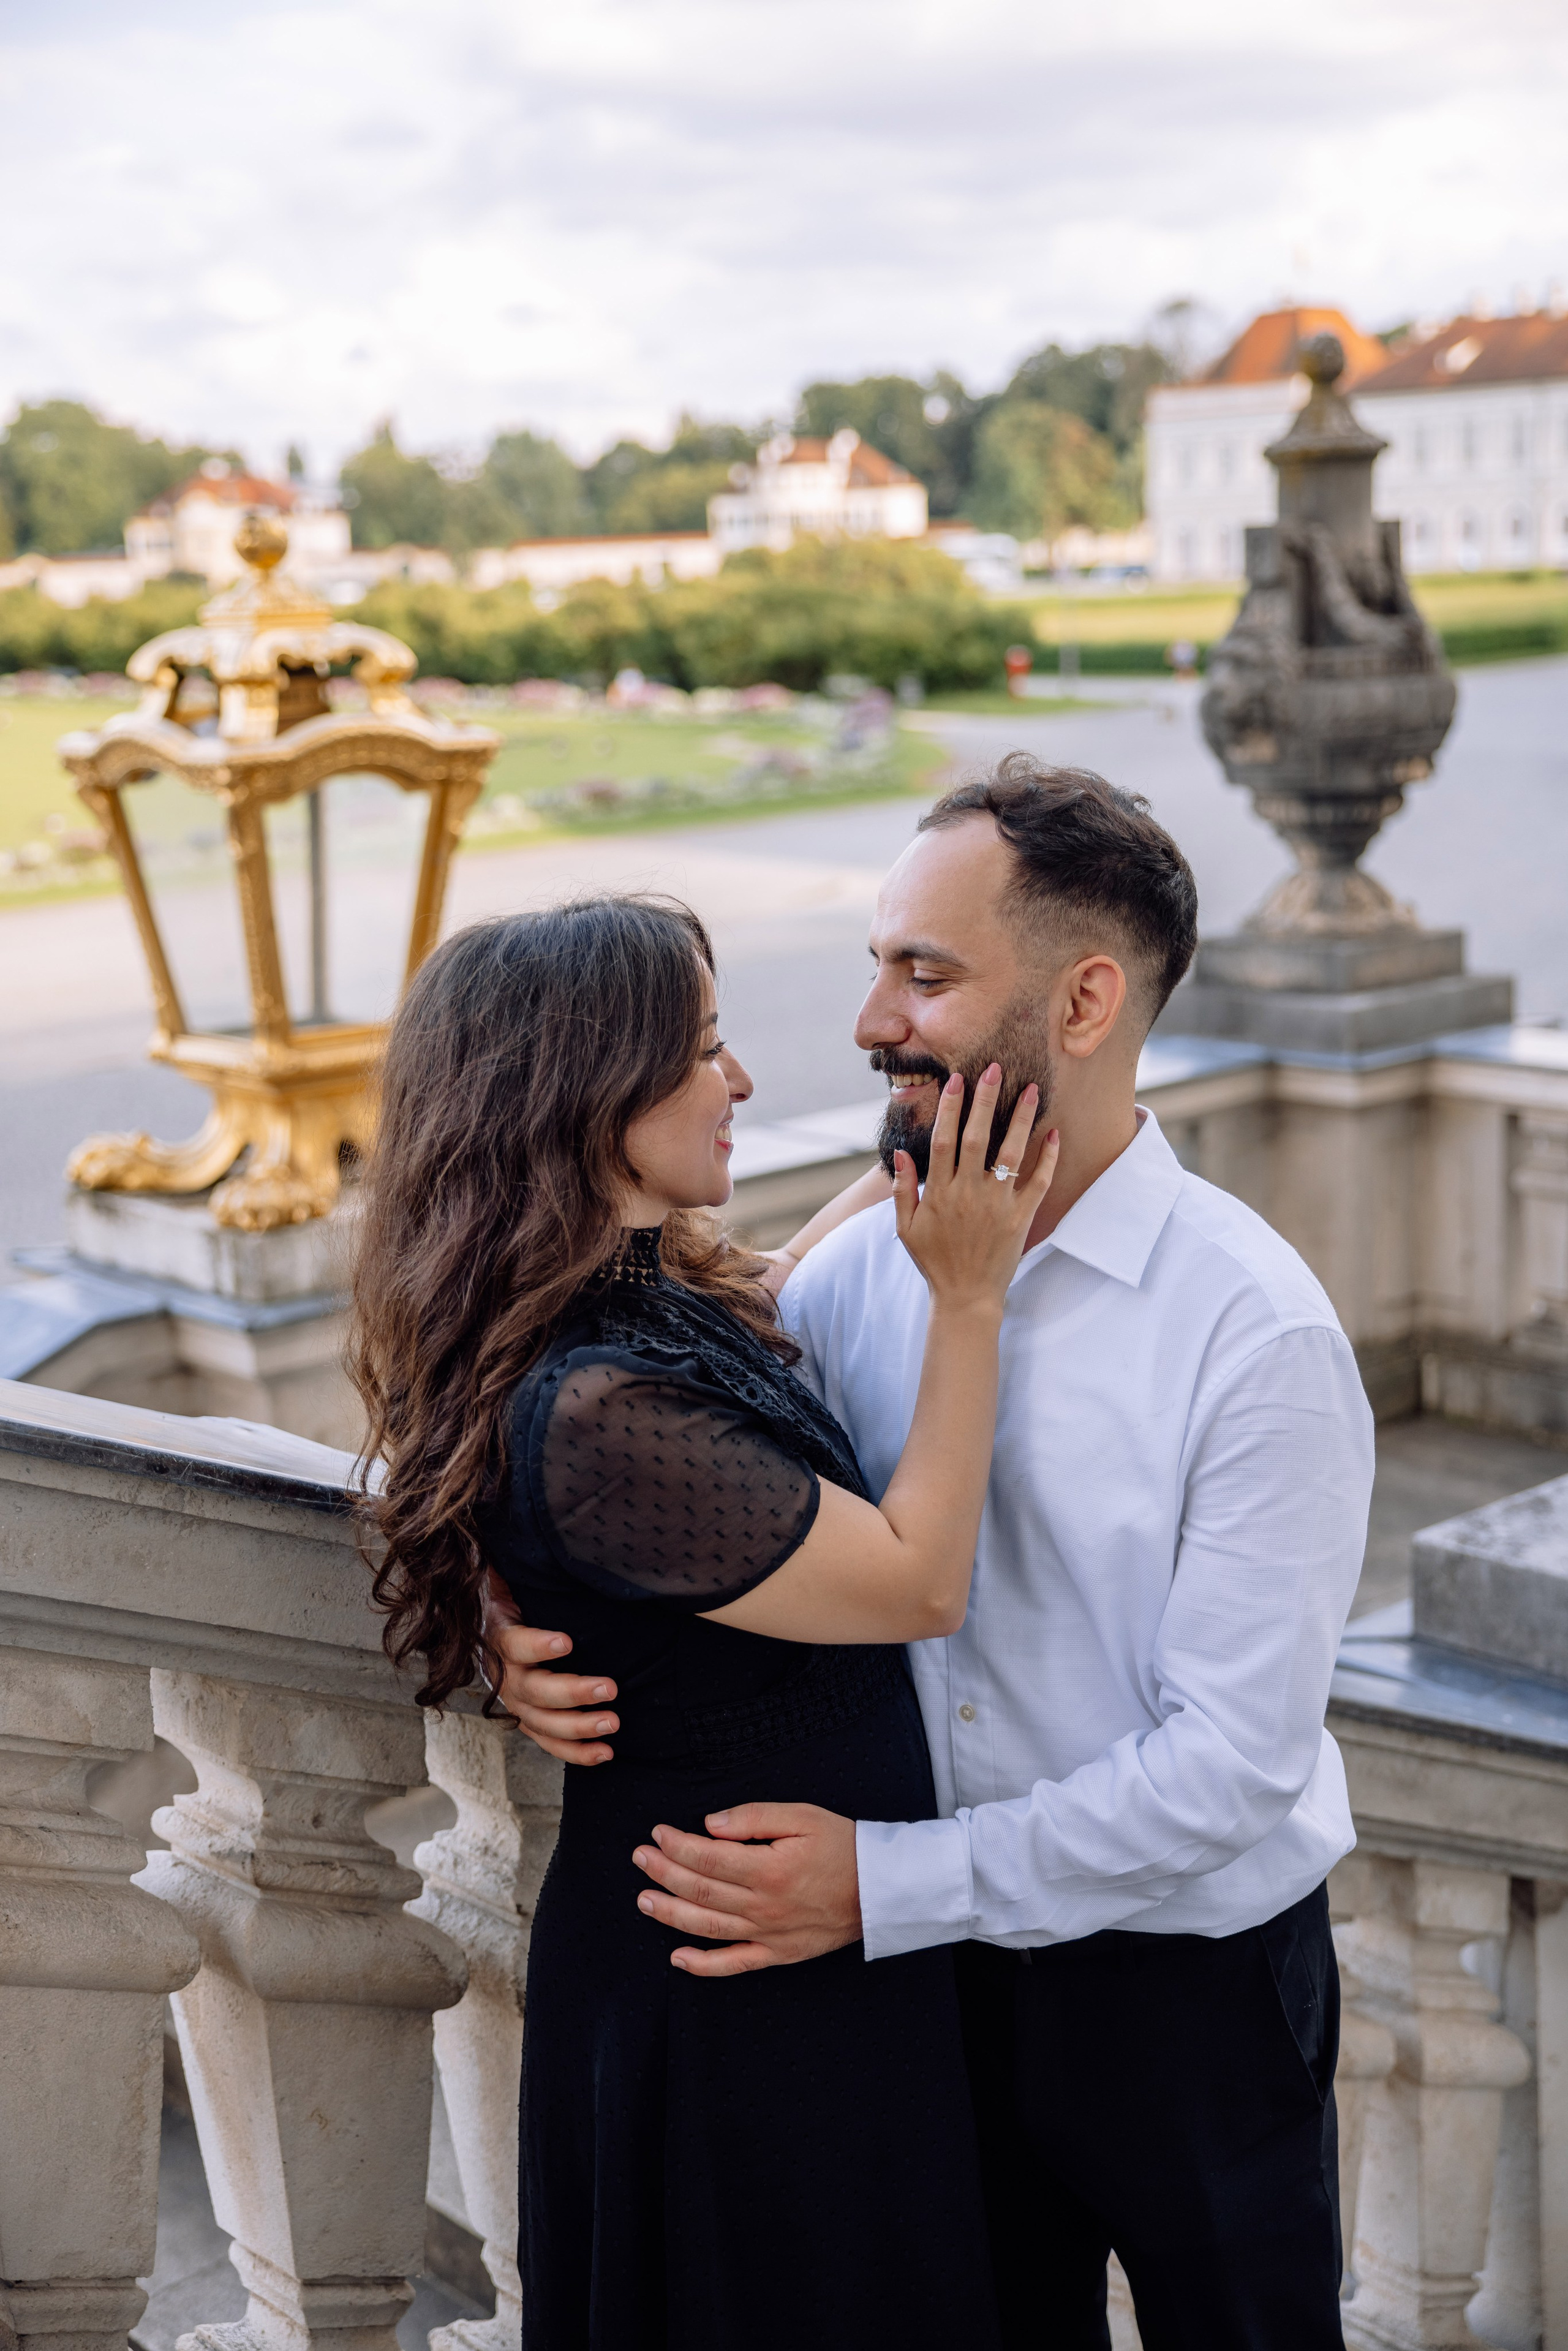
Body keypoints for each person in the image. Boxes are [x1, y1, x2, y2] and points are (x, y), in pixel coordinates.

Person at [495, 761, 1376, 2351]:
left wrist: (889, 1882)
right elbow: (602, 1418)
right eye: (877, 963)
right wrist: (521, 1596)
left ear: (1086, 999)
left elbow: (1230, 1769)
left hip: (1182, 1986)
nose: (869, 1021)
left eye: (926, 972)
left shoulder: (1258, 1334)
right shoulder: (850, 1280)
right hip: (916, 1992)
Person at [347, 892, 1059, 2351]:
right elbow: (920, 1578)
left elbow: (759, 1320)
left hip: (787, 1939)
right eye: (705, 1049)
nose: (738, 1082)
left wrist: (935, 1149)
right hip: (729, 1987)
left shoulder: (642, 1296)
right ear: (580, 1086)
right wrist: (968, 1297)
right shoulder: (598, 1412)